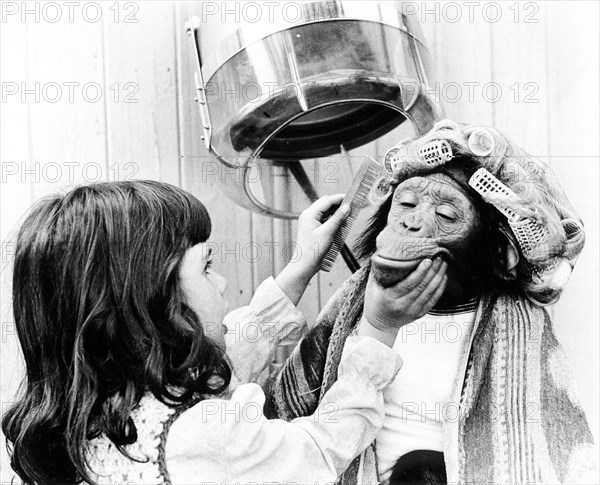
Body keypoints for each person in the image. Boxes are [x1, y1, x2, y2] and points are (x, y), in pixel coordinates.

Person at [2, 180, 450, 485]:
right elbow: (318, 451)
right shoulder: (201, 435)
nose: (221, 283)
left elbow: (230, 353)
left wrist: (302, 265)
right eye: (207, 267)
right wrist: (379, 326)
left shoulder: (98, 408)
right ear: (153, 302)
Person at [265, 120, 597, 484]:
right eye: (405, 203)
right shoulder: (356, 301)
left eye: (445, 215)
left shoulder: (514, 326)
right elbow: (274, 421)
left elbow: (551, 460)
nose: (412, 223)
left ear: (499, 255)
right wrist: (302, 265)